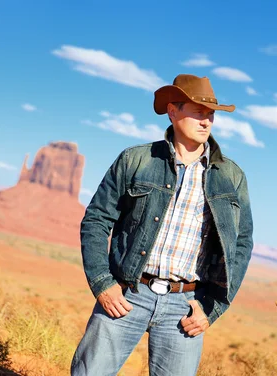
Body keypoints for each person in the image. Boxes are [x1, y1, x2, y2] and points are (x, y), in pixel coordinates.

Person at [71, 74, 254, 376]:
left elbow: (242, 244)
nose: (206, 121)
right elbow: (96, 220)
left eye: (211, 114)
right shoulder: (137, 159)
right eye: (198, 111)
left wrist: (213, 307)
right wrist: (103, 283)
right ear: (173, 111)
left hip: (185, 306)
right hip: (127, 294)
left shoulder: (231, 177)